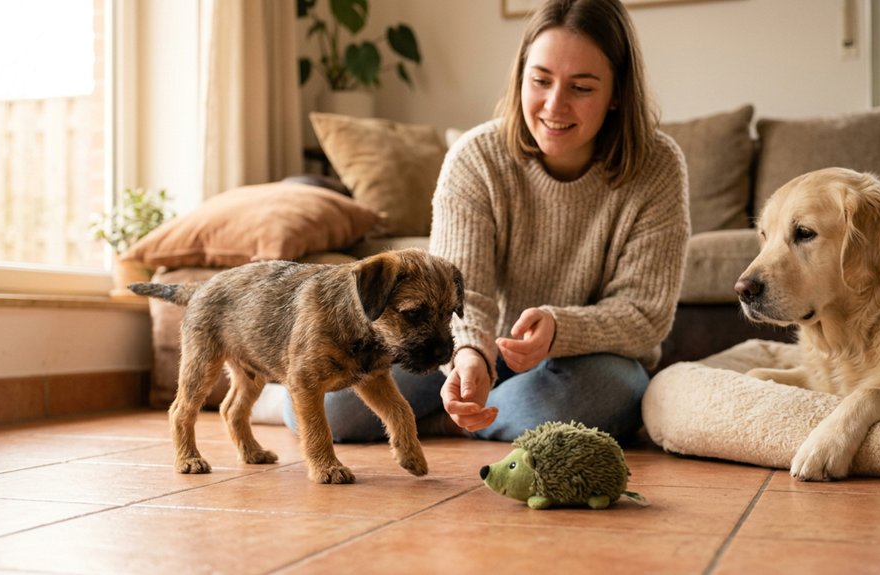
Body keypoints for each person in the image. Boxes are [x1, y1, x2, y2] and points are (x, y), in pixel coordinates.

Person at [264, 0, 689, 446]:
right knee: (334, 410)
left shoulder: (657, 165)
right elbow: (466, 293)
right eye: (540, 80)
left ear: (617, 92)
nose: (554, 104)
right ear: (521, 76)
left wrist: (560, 329)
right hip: (478, 348)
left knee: (603, 396)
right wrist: (470, 357)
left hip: (588, 359)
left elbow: (644, 313)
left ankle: (444, 424)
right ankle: (483, 416)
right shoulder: (476, 157)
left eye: (581, 87)